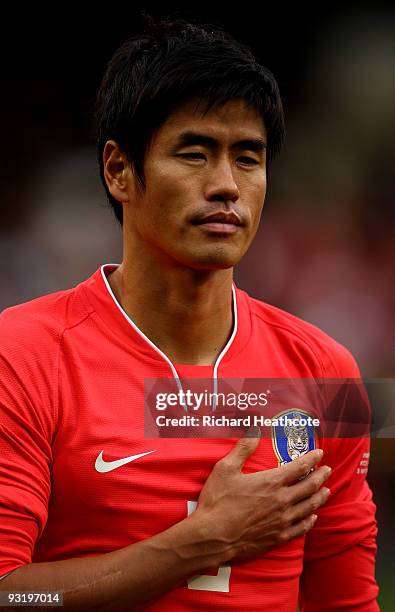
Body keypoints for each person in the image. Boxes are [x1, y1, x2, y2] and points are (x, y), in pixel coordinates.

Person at [0, 16, 378, 611]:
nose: (227, 185)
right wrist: (199, 544)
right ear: (119, 171)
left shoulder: (325, 372)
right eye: (195, 153)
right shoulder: (22, 356)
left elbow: (344, 602)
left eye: (247, 158)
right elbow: (10, 595)